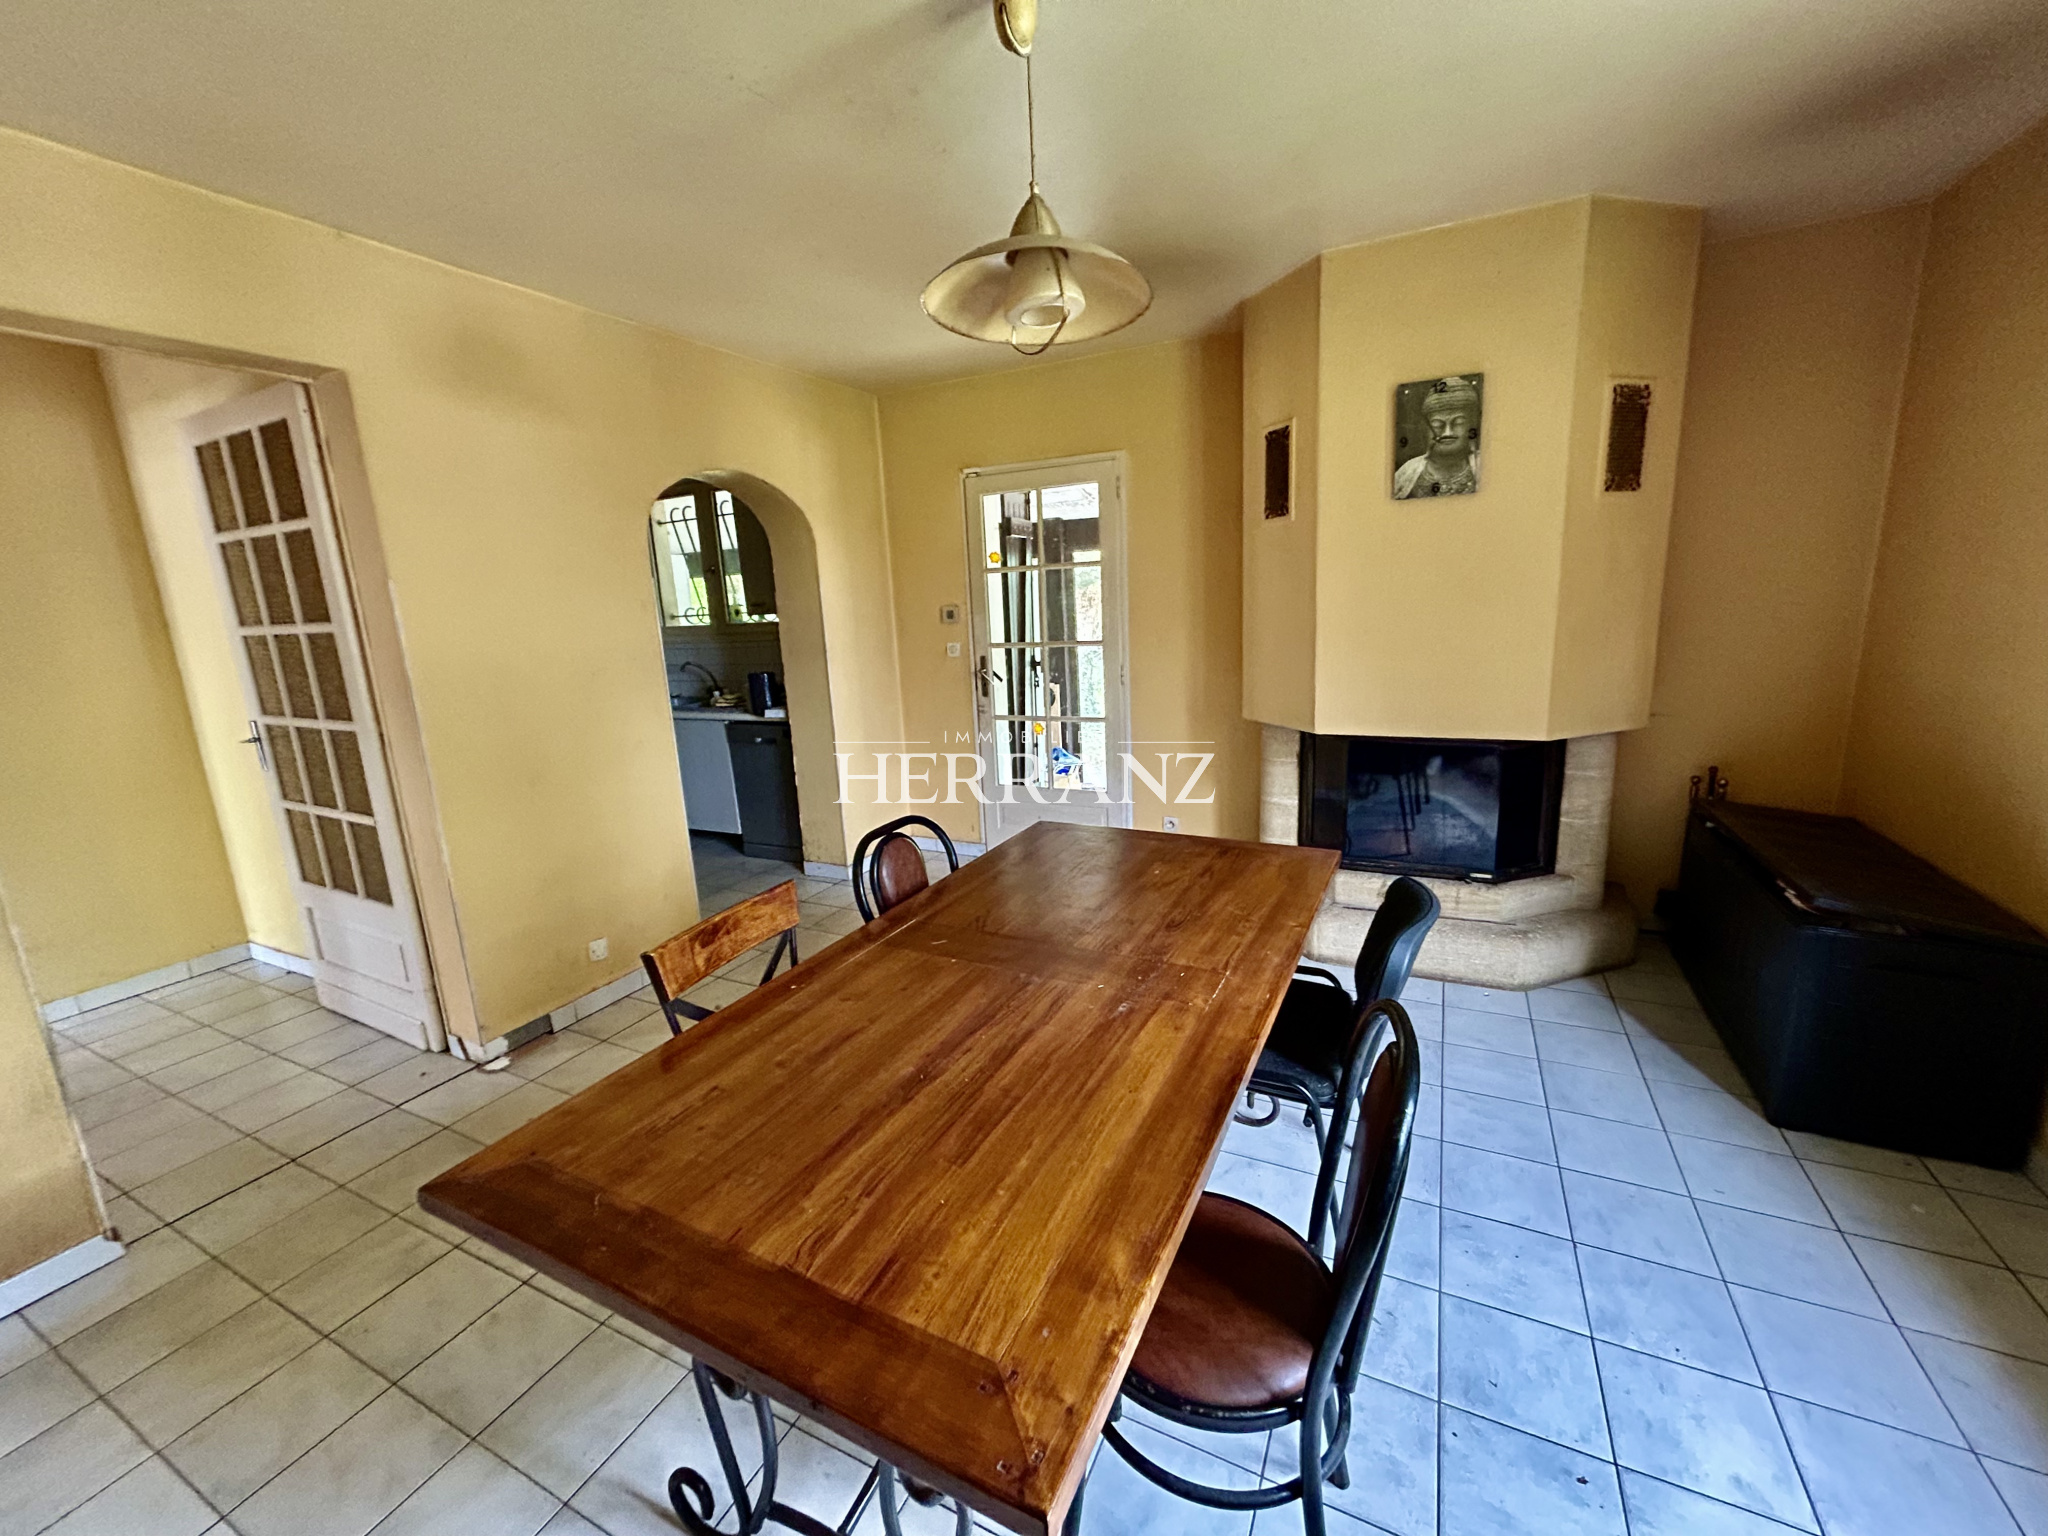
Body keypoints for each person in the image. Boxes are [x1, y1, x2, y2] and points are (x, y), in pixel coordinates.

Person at [1393, 376, 1481, 498]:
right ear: (1426, 429)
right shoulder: (1408, 471)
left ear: (1471, 426)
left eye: (1458, 423)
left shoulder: (1484, 466)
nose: (1447, 432)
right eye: (1437, 425)